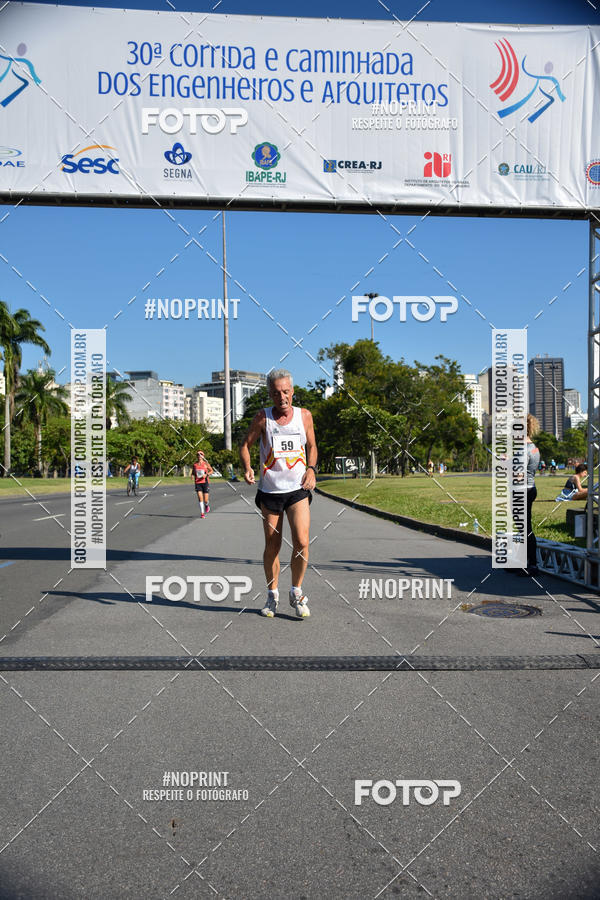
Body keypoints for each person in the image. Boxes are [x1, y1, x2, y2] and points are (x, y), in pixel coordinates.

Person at [240, 368, 317, 618]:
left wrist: (311, 469)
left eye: (285, 391)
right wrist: (248, 466)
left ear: (292, 391)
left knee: (302, 542)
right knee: (272, 545)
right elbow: (245, 445)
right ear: (270, 394)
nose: (281, 397)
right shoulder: (262, 418)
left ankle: (296, 591)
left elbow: (313, 446)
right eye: (276, 393)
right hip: (271, 491)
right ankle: (272, 595)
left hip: (297, 490)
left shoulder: (304, 416)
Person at [515, 414, 540, 576]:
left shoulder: (522, 450)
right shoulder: (534, 447)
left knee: (525, 528)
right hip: (531, 488)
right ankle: (526, 561)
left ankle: (531, 564)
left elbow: (518, 475)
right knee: (526, 527)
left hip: (521, 490)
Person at [191, 450, 214, 518]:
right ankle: (202, 513)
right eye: (198, 455)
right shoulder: (195, 465)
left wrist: (206, 475)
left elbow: (212, 471)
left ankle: (206, 505)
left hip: (205, 483)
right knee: (200, 499)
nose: (199, 456)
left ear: (203, 456)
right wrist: (192, 475)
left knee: (206, 500)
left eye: (201, 454)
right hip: (198, 483)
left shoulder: (206, 464)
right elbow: (193, 472)